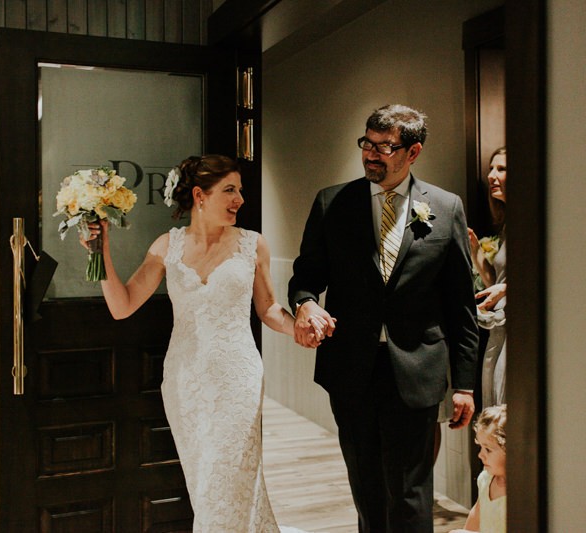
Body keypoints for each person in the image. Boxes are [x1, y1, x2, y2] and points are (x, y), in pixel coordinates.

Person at [81, 155, 310, 532]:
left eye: (240, 190)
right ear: (201, 196)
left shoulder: (253, 245)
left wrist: (297, 328)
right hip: (186, 382)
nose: (240, 199)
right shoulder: (165, 247)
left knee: (230, 476)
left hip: (238, 379)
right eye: (230, 190)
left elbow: (268, 308)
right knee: (204, 482)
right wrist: (99, 251)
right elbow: (122, 307)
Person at [288, 104, 480, 531]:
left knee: (412, 491)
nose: (371, 155)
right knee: (366, 485)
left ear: (412, 153)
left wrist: (465, 383)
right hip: (351, 367)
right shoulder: (332, 202)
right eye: (367, 145)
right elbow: (305, 276)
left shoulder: (446, 208)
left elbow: (460, 304)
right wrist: (305, 303)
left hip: (417, 368)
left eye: (384, 147)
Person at [468, 147, 507, 407]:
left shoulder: (532, 221)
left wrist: (505, 289)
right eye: (491, 169)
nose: (492, 176)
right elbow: (495, 283)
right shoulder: (507, 224)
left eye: (501, 169)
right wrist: (475, 251)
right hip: (499, 328)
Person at [451, 404, 507, 533]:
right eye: (480, 447)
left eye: (488, 449)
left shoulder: (520, 493)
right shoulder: (486, 479)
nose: (480, 455)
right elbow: (476, 515)